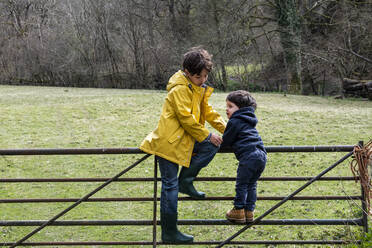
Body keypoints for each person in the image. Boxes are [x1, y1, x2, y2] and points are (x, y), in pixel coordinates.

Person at [140, 46, 226, 243]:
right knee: (169, 187)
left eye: (205, 76)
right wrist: (207, 135)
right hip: (169, 144)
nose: (203, 80)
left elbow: (209, 112)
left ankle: (186, 181)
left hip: (184, 141)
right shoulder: (179, 89)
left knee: (212, 145)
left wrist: (227, 130)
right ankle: (169, 231)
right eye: (199, 77)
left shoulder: (197, 88)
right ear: (187, 72)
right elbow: (185, 118)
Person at [220, 90, 267, 223]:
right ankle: (249, 211)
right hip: (261, 155)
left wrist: (218, 144)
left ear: (240, 109)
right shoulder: (249, 120)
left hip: (249, 156)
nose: (226, 109)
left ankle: (238, 211)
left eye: (230, 106)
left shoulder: (235, 121)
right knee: (251, 184)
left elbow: (226, 141)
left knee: (241, 184)